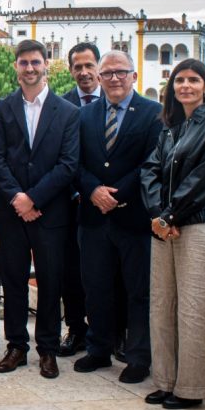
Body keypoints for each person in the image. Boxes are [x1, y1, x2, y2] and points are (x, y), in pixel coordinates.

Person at [141, 59, 205, 410]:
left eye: (193, 80)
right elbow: (150, 171)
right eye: (180, 80)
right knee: (162, 306)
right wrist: (157, 214)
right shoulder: (170, 128)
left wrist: (169, 215)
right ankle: (165, 382)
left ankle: (189, 389)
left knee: (194, 310)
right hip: (164, 227)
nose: (185, 86)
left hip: (198, 225)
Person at [0, 39, 79, 379]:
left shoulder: (68, 112)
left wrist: (34, 199)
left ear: (46, 65)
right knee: (12, 280)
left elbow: (68, 165)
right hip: (11, 211)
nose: (29, 68)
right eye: (23, 63)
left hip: (50, 212)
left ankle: (48, 350)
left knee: (51, 282)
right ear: (15, 66)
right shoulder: (4, 107)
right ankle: (16, 346)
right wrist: (17, 198)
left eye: (35, 62)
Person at [72, 50, 162, 384]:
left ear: (134, 76)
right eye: (107, 73)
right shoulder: (84, 115)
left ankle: (138, 356)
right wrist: (94, 190)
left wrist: (117, 195)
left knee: (138, 291)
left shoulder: (153, 114)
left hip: (134, 219)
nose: (113, 79)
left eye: (120, 72)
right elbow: (74, 161)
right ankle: (98, 349)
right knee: (95, 287)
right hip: (93, 218)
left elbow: (152, 163)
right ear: (98, 78)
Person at [58, 42, 103, 357]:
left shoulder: (121, 100)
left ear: (98, 66)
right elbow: (62, 158)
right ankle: (76, 329)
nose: (84, 72)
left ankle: (115, 333)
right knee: (70, 272)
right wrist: (82, 190)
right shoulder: (63, 105)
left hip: (113, 203)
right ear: (70, 69)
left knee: (112, 273)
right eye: (78, 67)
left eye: (89, 65)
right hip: (72, 203)